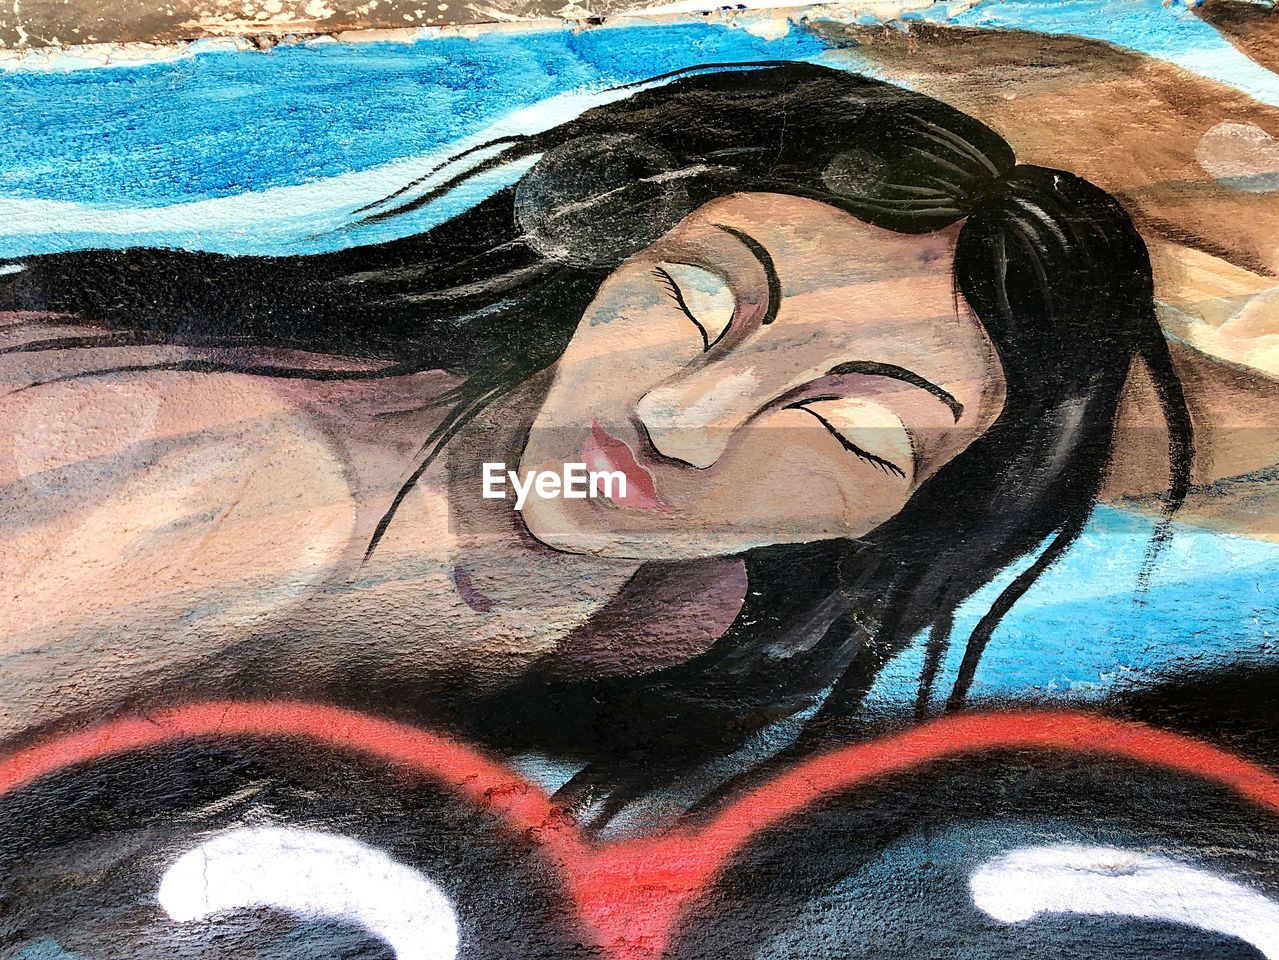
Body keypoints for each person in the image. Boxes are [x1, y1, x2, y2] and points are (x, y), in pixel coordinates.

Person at [0, 62, 1203, 821]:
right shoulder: (258, 471)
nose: (686, 422)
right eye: (694, 303)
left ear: (910, 505)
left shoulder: (667, 600)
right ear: (595, 263)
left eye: (849, 425)